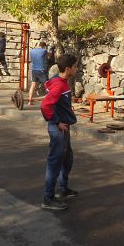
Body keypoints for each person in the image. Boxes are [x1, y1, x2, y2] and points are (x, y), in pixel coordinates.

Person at [40, 53, 79, 211]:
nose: (77, 69)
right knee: (55, 162)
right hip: (58, 129)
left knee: (67, 158)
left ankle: (63, 188)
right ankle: (48, 198)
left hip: (63, 127)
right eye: (75, 67)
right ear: (68, 69)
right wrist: (57, 121)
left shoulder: (60, 80)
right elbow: (45, 106)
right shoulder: (59, 85)